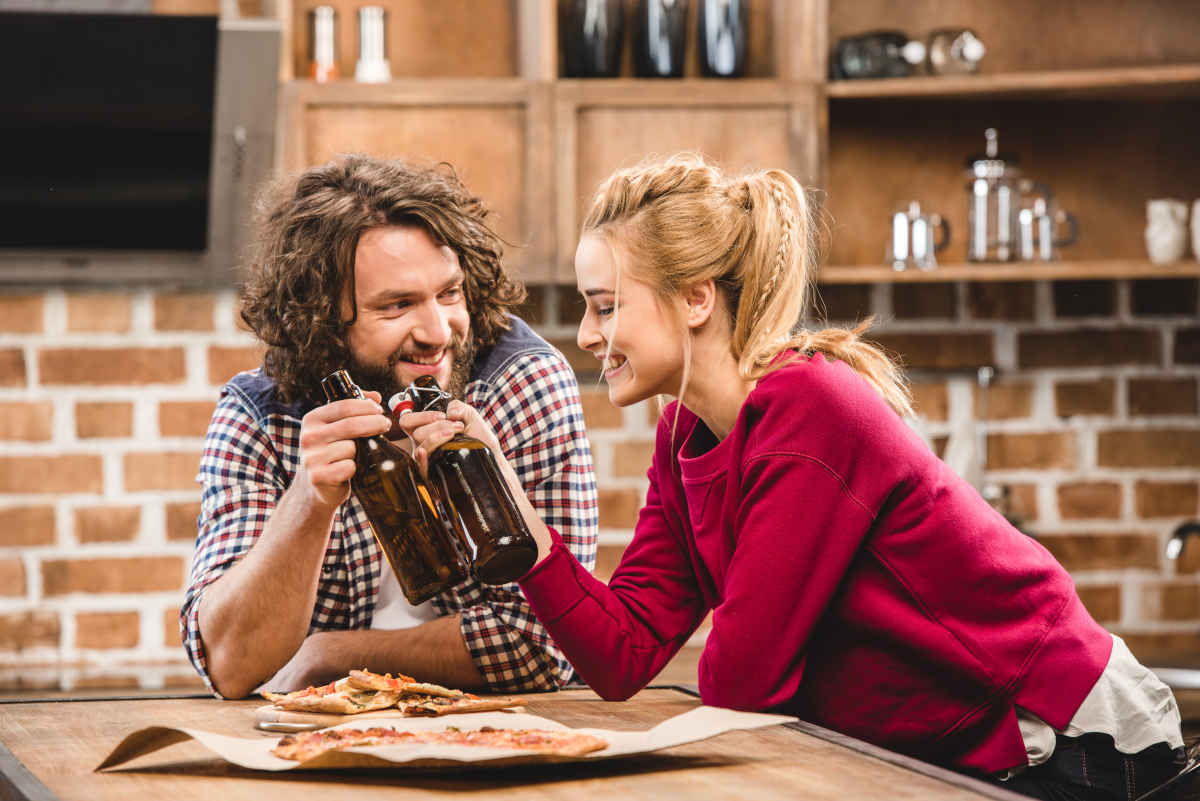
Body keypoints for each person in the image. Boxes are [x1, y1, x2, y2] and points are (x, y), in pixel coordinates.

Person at [402, 153, 1186, 800]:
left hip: (1065, 736)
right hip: (957, 749)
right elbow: (622, 653)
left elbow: (743, 682)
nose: (586, 334)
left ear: (696, 297)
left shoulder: (807, 408)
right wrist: (505, 500)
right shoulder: (685, 432)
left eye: (606, 306)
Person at [182, 154, 598, 700]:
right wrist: (309, 502)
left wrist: (333, 653)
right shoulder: (259, 414)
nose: (436, 331)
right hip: (312, 749)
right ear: (322, 316)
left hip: (489, 738)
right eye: (398, 304)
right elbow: (232, 665)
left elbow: (547, 646)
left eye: (449, 293)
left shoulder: (521, 383)